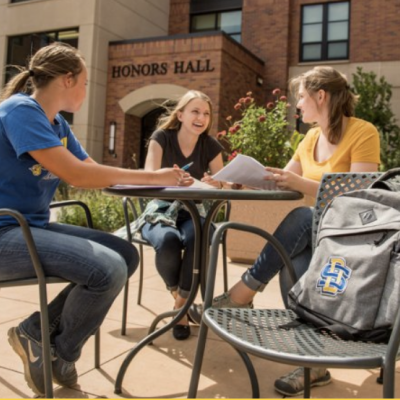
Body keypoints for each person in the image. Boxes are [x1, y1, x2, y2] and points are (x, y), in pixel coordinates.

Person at [0, 42, 191, 397]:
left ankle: (37, 334)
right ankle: (62, 352)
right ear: (68, 80)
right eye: (86, 82)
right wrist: (156, 178)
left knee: (127, 254)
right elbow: (78, 176)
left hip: (29, 228)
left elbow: (94, 170)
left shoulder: (56, 124)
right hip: (5, 234)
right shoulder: (19, 111)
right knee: (108, 270)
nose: (88, 90)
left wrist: (160, 177)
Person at [211, 66, 381, 396]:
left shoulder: (364, 133)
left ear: (321, 96)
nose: (297, 105)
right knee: (296, 255)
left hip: (350, 240)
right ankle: (312, 364)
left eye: (301, 97)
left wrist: (300, 183)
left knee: (303, 215)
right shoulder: (310, 138)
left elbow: (361, 197)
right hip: (318, 238)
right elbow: (284, 180)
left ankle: (242, 293)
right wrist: (246, 180)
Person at [140, 90, 224, 340]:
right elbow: (148, 176)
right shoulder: (161, 137)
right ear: (181, 115)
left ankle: (180, 308)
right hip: (161, 210)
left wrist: (215, 182)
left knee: (199, 237)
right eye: (195, 111)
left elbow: (223, 182)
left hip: (193, 211)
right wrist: (170, 178)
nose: (201, 117)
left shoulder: (210, 145)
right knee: (168, 241)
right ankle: (182, 299)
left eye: (206, 113)